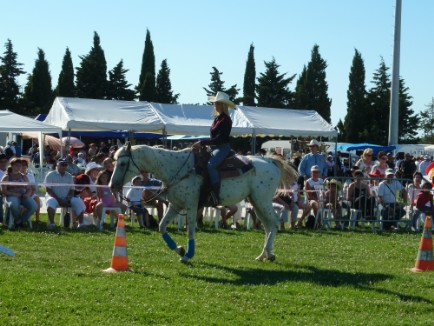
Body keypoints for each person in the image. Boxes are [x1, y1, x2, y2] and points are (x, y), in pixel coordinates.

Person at [192, 91, 236, 205]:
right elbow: (214, 137)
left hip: (222, 147)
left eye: (218, 103)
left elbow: (219, 139)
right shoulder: (217, 119)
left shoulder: (226, 119)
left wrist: (202, 143)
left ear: (224, 105)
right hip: (214, 147)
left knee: (211, 165)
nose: (215, 105)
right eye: (215, 103)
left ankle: (216, 194)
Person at [44, 158, 86, 229]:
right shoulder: (50, 175)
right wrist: (59, 200)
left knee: (78, 201)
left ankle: (81, 224)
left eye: (65, 165)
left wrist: (68, 199)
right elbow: (48, 190)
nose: (63, 167)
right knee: (50, 202)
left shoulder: (69, 176)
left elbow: (72, 190)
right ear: (57, 165)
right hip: (53, 197)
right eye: (61, 165)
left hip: (66, 198)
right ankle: (52, 223)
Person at [1, 158, 37, 227]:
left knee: (34, 206)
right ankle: (18, 220)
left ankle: (19, 221)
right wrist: (14, 194)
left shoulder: (24, 177)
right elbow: (3, 190)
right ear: (12, 166)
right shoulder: (6, 177)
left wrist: (27, 194)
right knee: (13, 205)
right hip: (11, 196)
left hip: (23, 196)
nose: (18, 167)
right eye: (16, 165)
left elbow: (29, 188)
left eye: (20, 166)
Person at [20, 158, 41, 223]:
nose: (23, 166)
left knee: (37, 198)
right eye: (21, 165)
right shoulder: (16, 175)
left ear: (27, 166)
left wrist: (30, 194)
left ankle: (37, 219)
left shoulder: (30, 176)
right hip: (20, 193)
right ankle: (21, 219)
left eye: (25, 165)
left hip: (30, 193)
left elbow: (33, 188)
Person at [0, 153, 8, 224]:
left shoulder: (10, 171)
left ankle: (9, 218)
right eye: (1, 161)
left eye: (5, 161)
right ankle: (1, 218)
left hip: (9, 191)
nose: (3, 163)